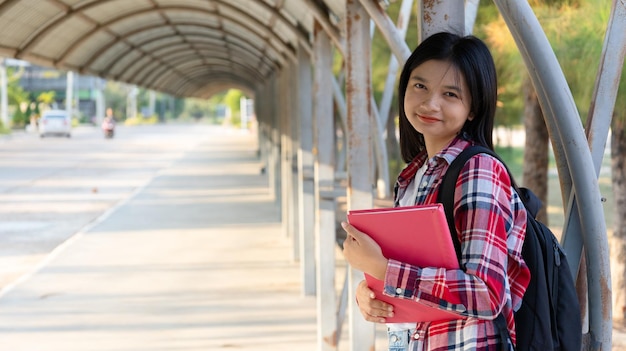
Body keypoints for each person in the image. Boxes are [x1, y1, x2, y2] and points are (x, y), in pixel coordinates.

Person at [341, 32, 531, 351]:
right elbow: (416, 275)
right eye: (420, 86)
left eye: (451, 94)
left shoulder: (478, 170)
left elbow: (486, 294)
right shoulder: (413, 175)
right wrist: (371, 292)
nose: (430, 103)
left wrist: (383, 269)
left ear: (473, 108)